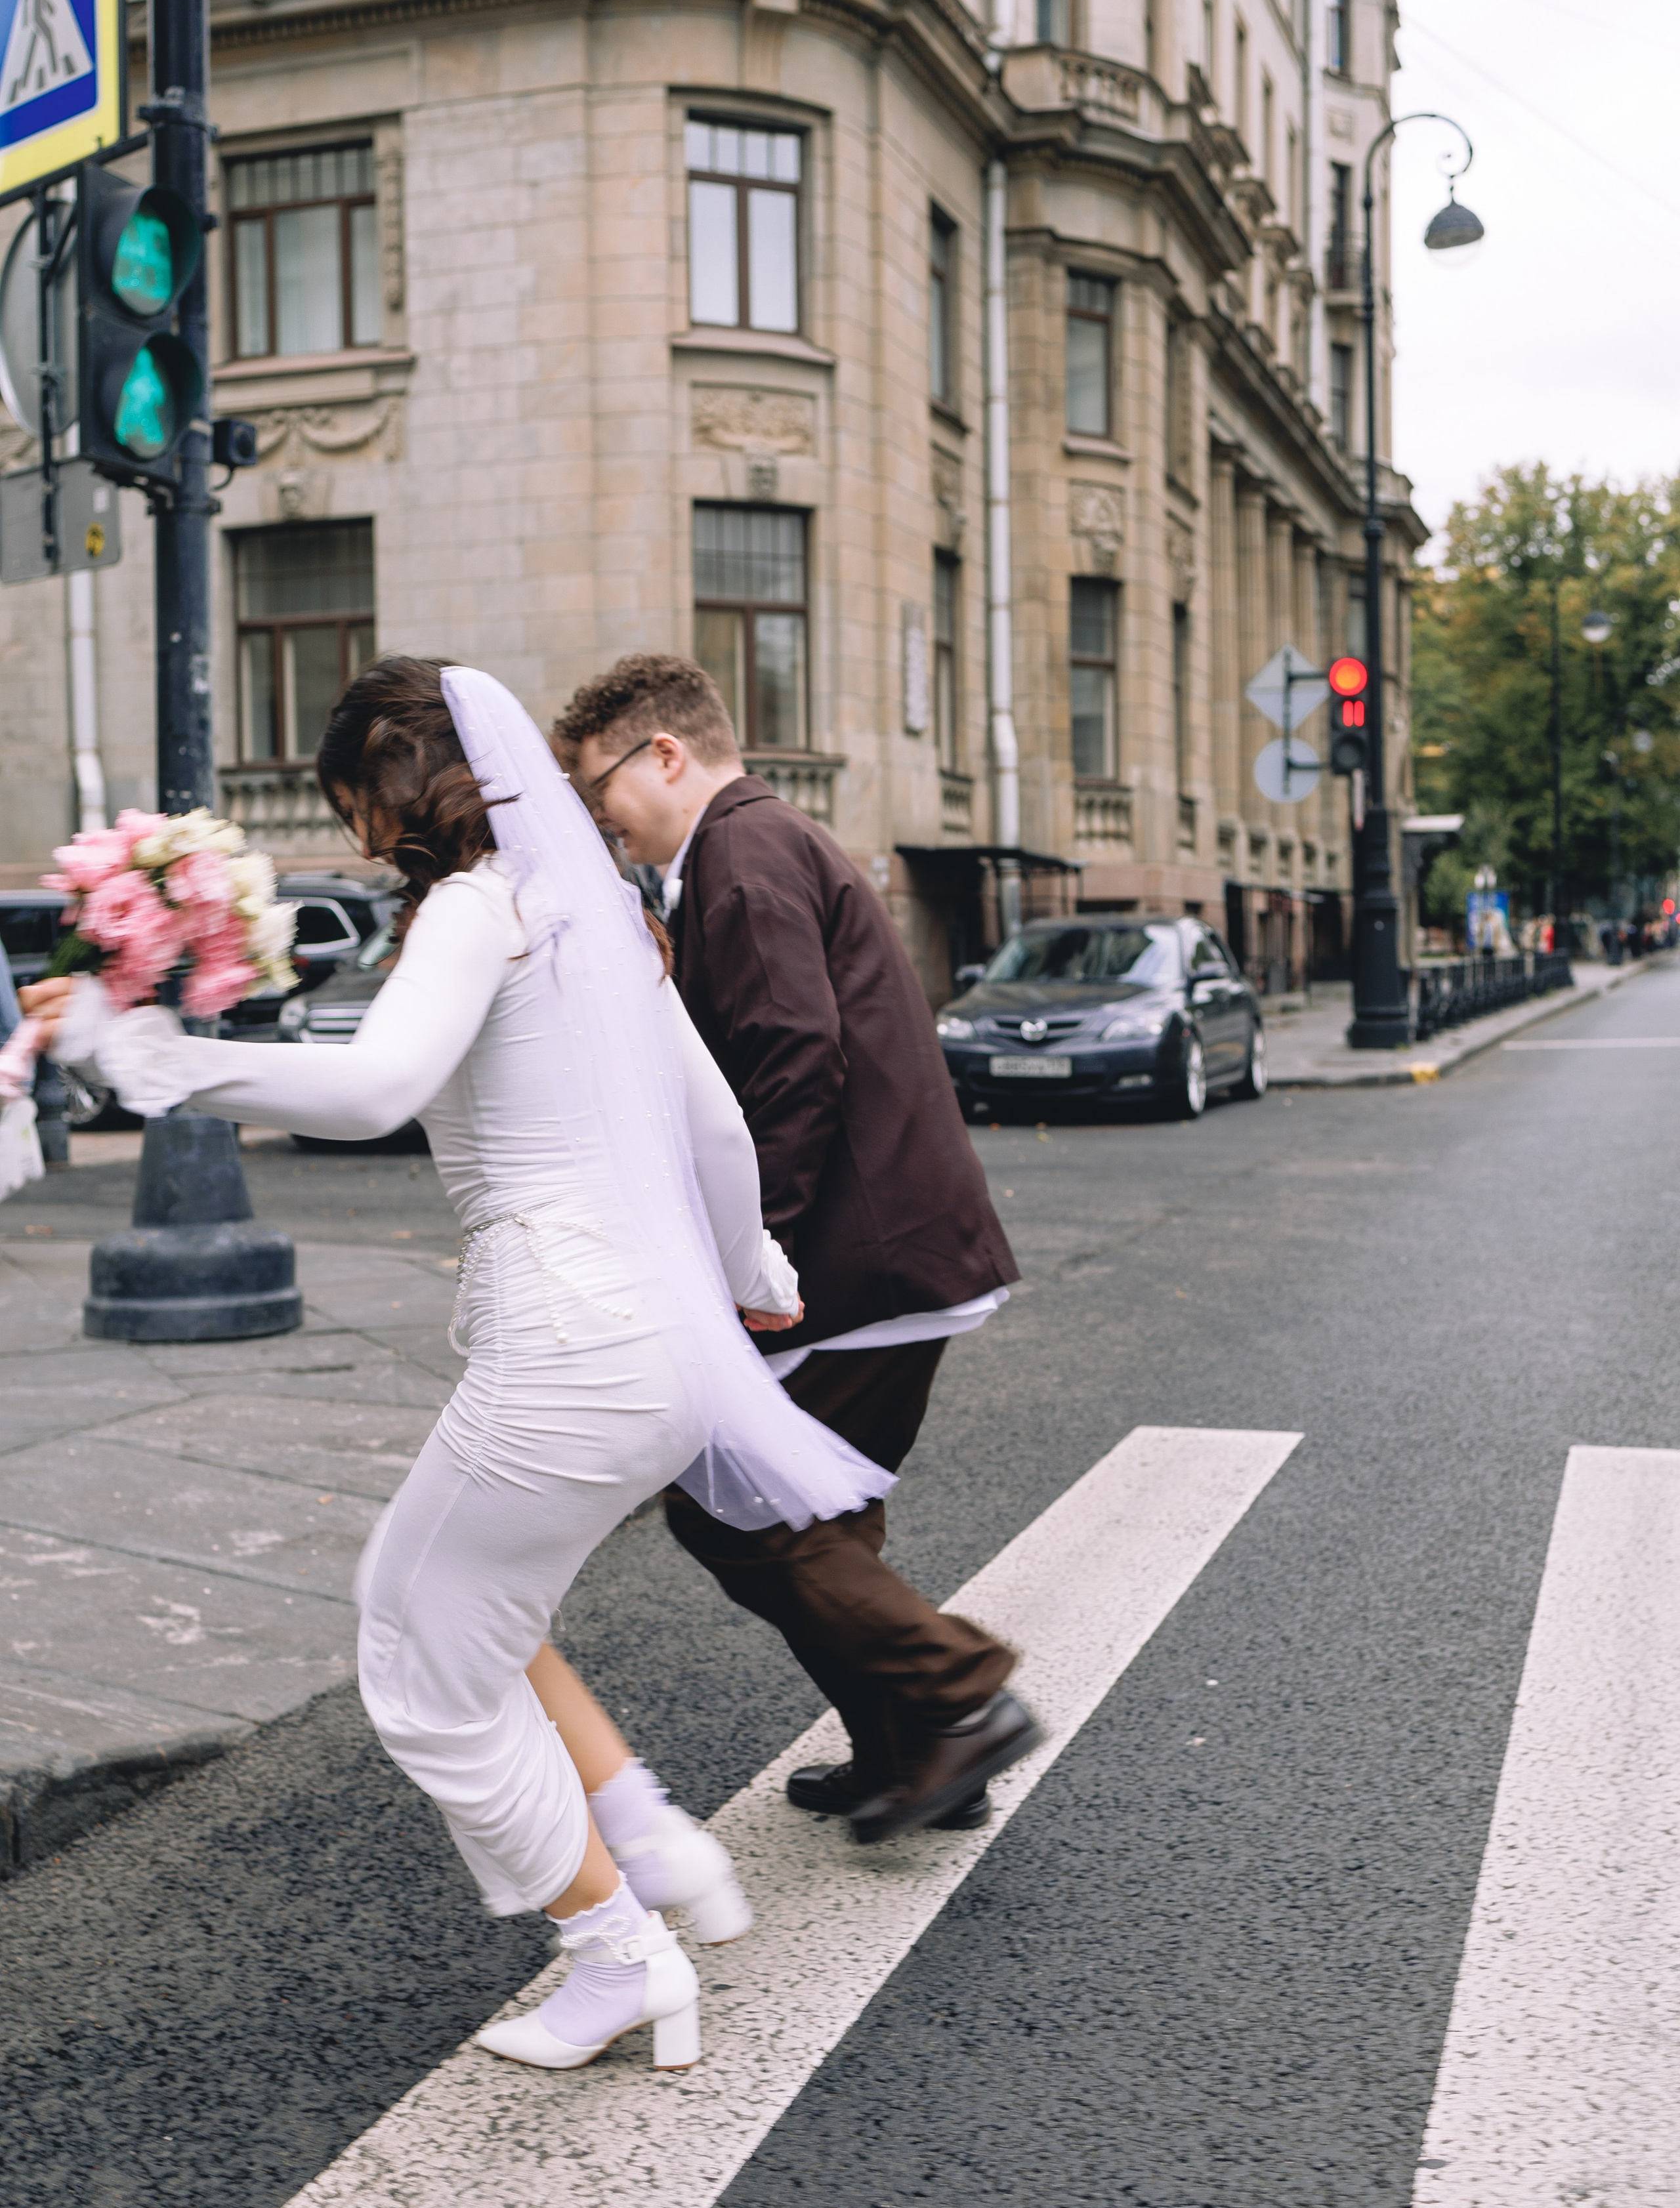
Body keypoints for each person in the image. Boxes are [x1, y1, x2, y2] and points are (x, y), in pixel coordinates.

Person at [26, 657, 896, 2077]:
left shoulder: (476, 908)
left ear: (395, 792)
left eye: (354, 803)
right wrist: (754, 1276)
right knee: (480, 1617)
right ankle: (649, 1846)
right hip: (663, 1356)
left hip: (562, 1353)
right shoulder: (607, 922)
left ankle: (618, 1953)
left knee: (417, 1663)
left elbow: (376, 1087)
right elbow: (721, 1133)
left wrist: (151, 1057)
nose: (360, 833)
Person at [551, 654, 1040, 1845]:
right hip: (893, 1249)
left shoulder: (741, 850)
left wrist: (746, 1260)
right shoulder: (750, 847)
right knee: (821, 1517)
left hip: (859, 1258)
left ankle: (960, 1697)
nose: (601, 818)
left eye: (600, 786)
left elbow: (791, 1060)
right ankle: (916, 1748)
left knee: (744, 1515)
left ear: (667, 754)